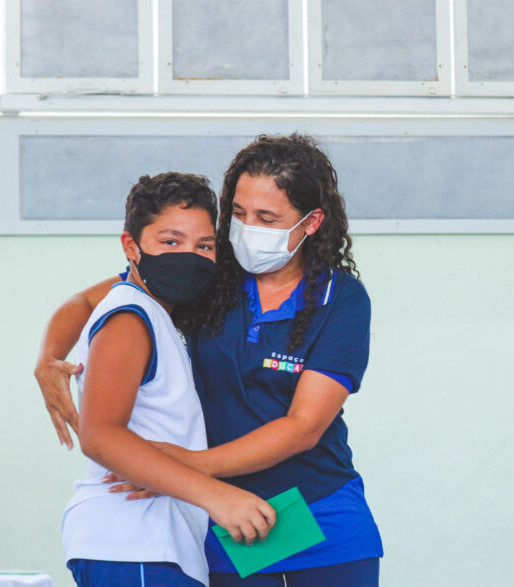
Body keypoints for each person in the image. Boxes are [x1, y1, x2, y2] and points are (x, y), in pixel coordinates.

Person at [36, 134, 383, 586]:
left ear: (312, 221)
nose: (247, 227)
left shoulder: (341, 299)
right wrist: (48, 359)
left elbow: (304, 426)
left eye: (266, 218)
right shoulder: (204, 273)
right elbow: (88, 302)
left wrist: (188, 465)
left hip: (321, 511)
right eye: (238, 213)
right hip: (226, 520)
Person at [59, 172, 275, 587]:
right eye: (171, 242)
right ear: (131, 246)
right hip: (134, 542)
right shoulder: (129, 317)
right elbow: (100, 435)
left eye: (204, 246)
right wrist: (217, 495)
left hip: (152, 546)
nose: (189, 256)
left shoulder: (156, 315)